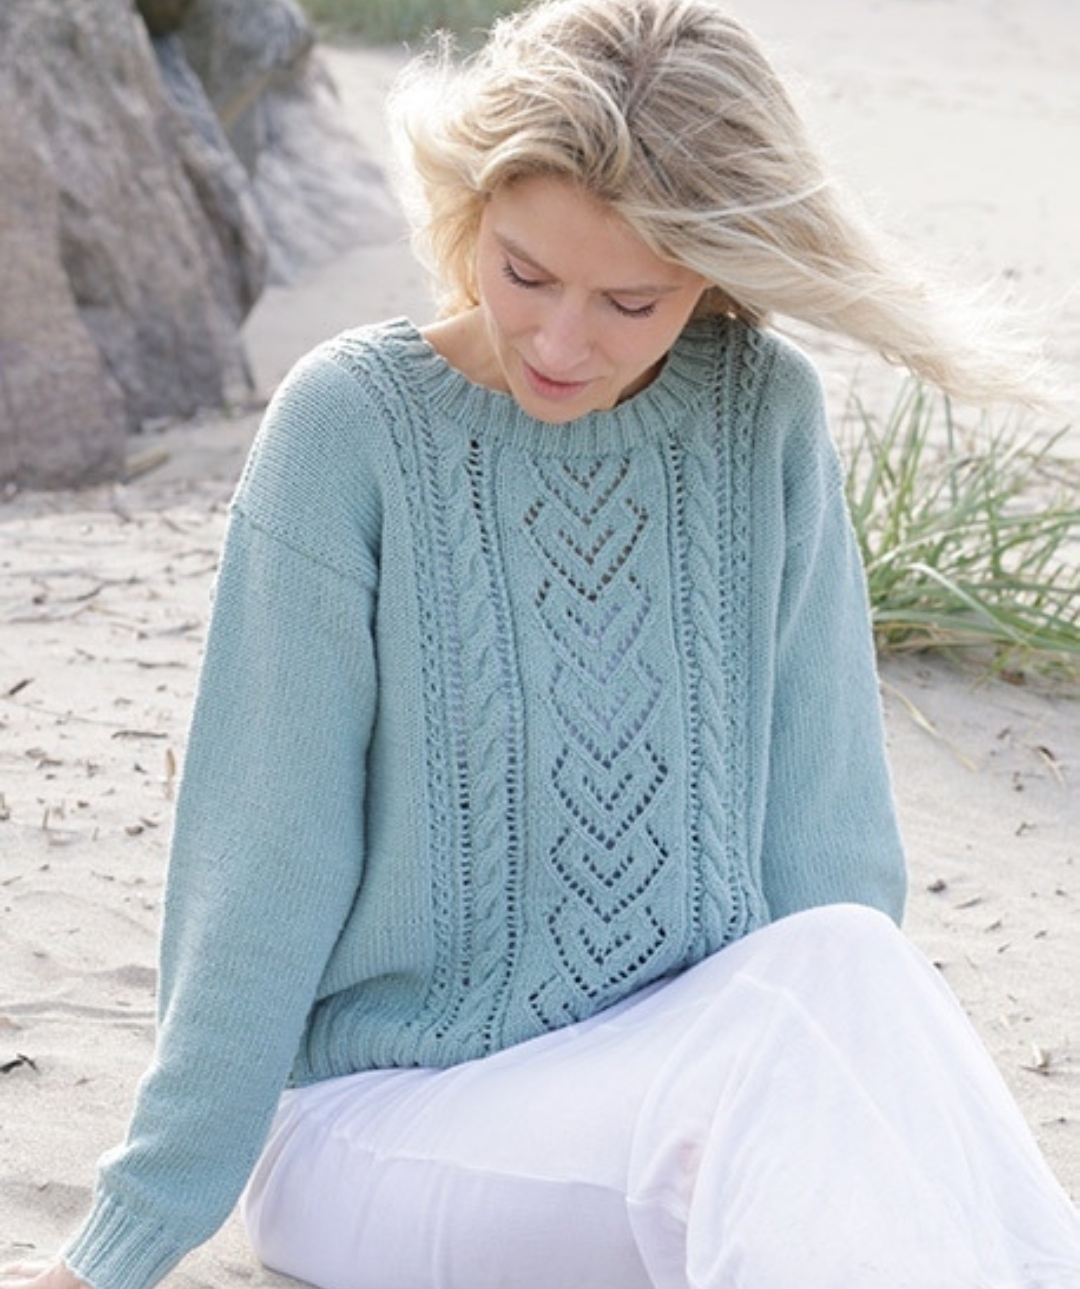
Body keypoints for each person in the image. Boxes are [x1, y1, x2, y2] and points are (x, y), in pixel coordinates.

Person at [4, 0, 1078, 1286]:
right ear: (471, 211)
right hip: (381, 1123)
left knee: (851, 954)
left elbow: (829, 854)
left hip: (686, 1095)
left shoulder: (766, 416)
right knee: (765, 1074)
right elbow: (263, 868)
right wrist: (125, 1239)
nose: (563, 343)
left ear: (709, 275)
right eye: (524, 274)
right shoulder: (352, 429)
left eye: (630, 300)